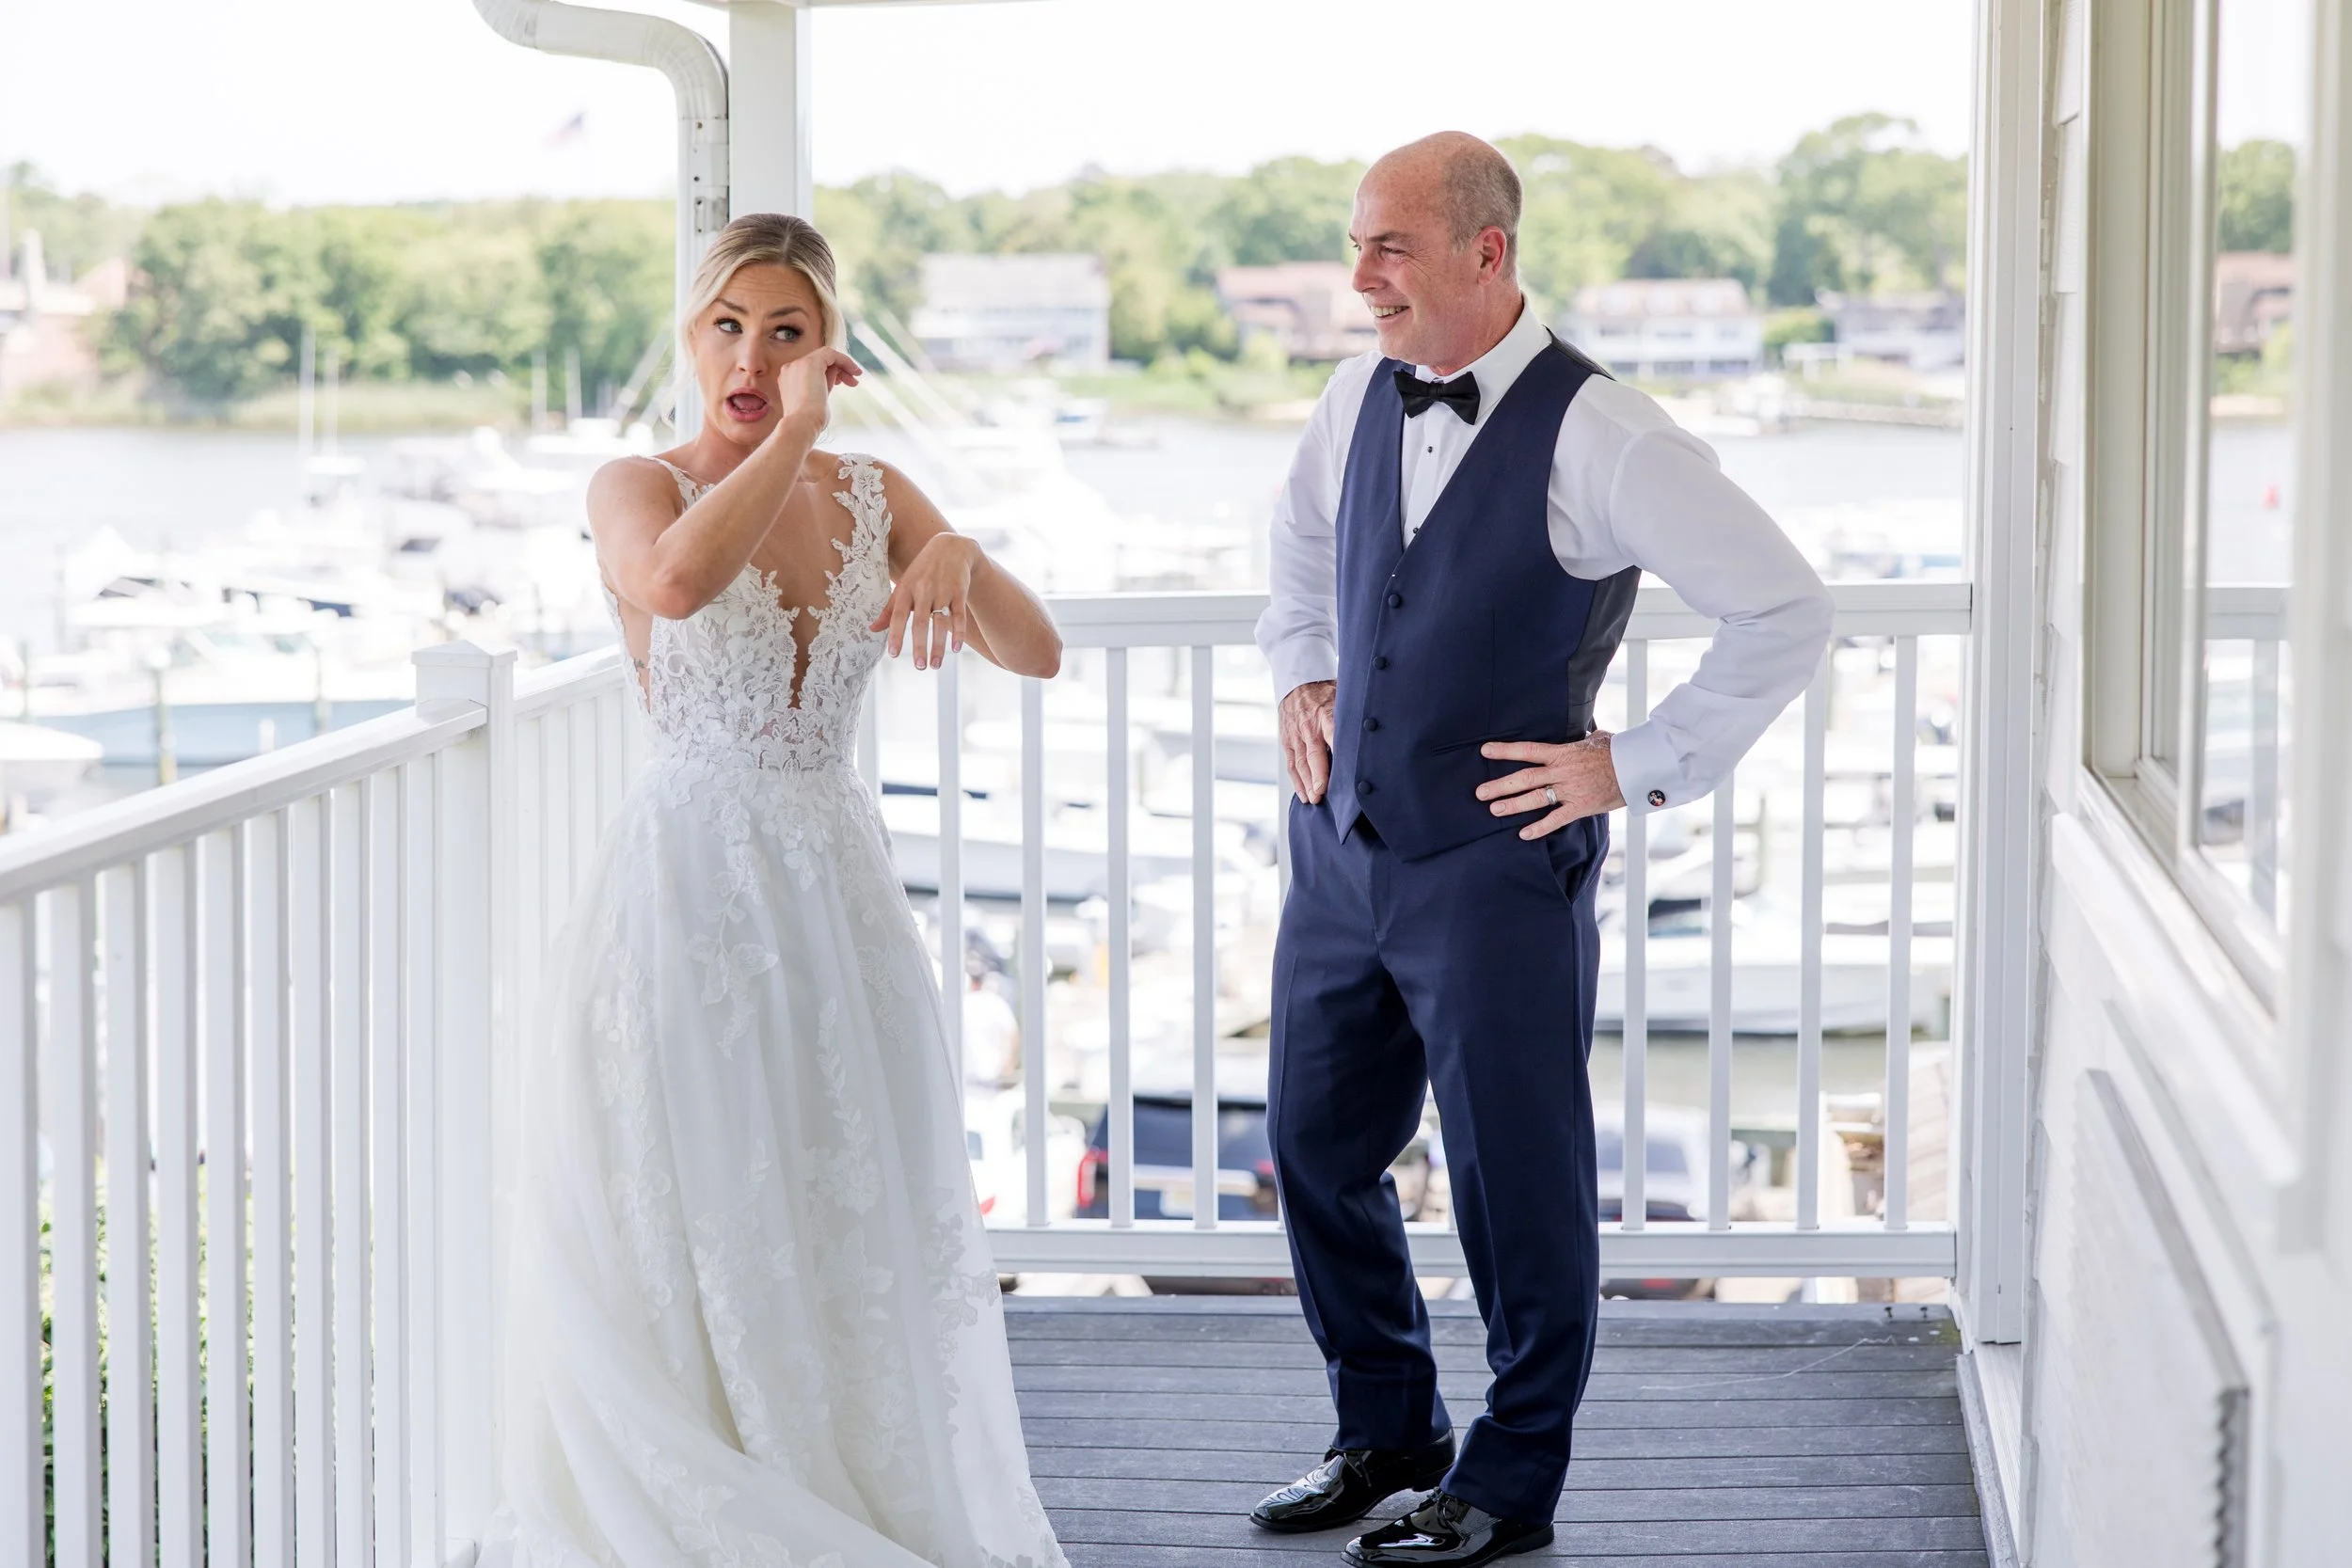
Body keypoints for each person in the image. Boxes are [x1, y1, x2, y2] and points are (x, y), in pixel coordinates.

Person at [1248, 135, 1833, 1566]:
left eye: (1389, 246)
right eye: (1356, 243)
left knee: (1515, 1180)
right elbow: (1299, 550)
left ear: (1486, 252)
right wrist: (1301, 671)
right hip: (1341, 850)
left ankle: (1510, 1479)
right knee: (1314, 1145)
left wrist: (1634, 763)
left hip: (1498, 866)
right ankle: (1387, 1424)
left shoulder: (1603, 432)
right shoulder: (1352, 396)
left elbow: (1785, 607)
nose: (1360, 275)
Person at [488, 212, 1070, 1568]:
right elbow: (676, 584)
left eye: (786, 332)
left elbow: (1034, 650)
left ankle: (839, 1466)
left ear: (829, 343)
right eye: (729, 328)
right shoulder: (635, 484)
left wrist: (958, 553)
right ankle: (722, 1466)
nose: (752, 358)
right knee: (699, 1178)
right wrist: (795, 433)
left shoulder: (874, 491)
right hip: (688, 883)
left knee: (836, 1182)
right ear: (692, 338)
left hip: (833, 887)